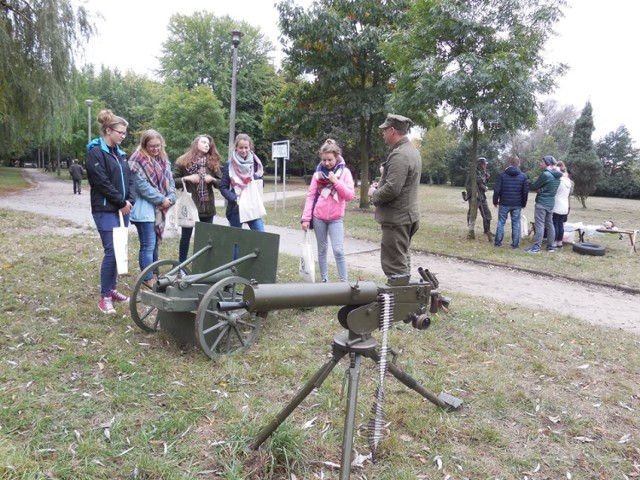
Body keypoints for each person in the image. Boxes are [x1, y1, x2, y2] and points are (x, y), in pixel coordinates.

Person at [85, 109, 135, 314]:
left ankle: (113, 289)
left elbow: (130, 179)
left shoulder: (120, 153)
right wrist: (120, 201)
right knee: (112, 251)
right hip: (105, 209)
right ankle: (104, 296)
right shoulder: (96, 152)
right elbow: (101, 182)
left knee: (119, 249)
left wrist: (130, 200)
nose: (123, 136)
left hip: (123, 209)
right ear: (108, 130)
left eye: (124, 133)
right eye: (120, 132)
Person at [368, 113, 421, 280]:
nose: (383, 135)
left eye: (384, 131)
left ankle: (401, 303)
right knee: (402, 258)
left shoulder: (400, 155)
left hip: (397, 219)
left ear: (392, 131)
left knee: (394, 265)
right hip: (406, 216)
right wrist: (385, 173)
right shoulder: (411, 151)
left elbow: (392, 189)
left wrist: (374, 194)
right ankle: (407, 299)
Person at [300, 139, 355, 282]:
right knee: (322, 250)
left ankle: (344, 282)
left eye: (330, 159)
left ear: (337, 157)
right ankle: (325, 280)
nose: (327, 163)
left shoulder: (345, 173)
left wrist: (336, 182)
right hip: (319, 217)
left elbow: (349, 196)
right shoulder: (317, 175)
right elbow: (311, 196)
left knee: (338, 250)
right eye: (324, 160)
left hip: (336, 218)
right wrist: (306, 218)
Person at [128, 130, 176, 284]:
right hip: (144, 209)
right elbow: (142, 187)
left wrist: (172, 197)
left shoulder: (163, 158)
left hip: (160, 208)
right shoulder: (137, 160)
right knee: (148, 245)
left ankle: (154, 274)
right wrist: (162, 200)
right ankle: (147, 278)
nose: (155, 149)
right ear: (144, 145)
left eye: (158, 145)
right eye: (151, 146)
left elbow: (170, 179)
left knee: (155, 245)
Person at [173, 134, 222, 263]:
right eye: (204, 142)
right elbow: (172, 181)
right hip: (190, 206)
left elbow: (222, 183)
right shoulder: (183, 161)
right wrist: (187, 178)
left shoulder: (212, 162)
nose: (207, 145)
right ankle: (181, 265)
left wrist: (212, 179)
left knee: (206, 239)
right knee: (186, 237)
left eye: (209, 143)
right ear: (196, 144)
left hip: (207, 207)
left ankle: (202, 265)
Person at [220, 133, 266, 231]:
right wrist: (235, 199)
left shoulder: (256, 164)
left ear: (250, 147)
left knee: (261, 235)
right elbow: (223, 187)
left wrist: (254, 177)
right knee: (236, 242)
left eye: (246, 147)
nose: (244, 150)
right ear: (236, 147)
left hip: (252, 206)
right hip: (236, 208)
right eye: (241, 147)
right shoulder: (229, 165)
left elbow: (261, 184)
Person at [524, 155, 563, 254]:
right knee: (550, 224)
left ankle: (536, 248)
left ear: (547, 163)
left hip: (542, 202)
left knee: (540, 224)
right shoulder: (558, 176)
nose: (540, 163)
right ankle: (551, 247)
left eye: (542, 162)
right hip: (550, 203)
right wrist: (542, 189)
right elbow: (551, 188)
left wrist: (538, 189)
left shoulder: (546, 174)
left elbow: (535, 186)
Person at [492, 156, 529, 249]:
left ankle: (498, 242)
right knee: (516, 223)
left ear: (509, 163)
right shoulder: (523, 176)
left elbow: (497, 190)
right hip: (517, 203)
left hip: (504, 202)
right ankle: (515, 244)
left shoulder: (501, 175)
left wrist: (495, 201)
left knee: (501, 222)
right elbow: (525, 191)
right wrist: (523, 203)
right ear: (519, 163)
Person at [465, 157, 493, 240]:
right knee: (472, 214)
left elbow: (483, 182)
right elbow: (470, 184)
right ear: (480, 164)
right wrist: (475, 192)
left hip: (482, 196)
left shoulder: (484, 172)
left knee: (487, 214)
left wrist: (487, 179)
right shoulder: (473, 172)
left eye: (485, 164)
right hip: (474, 196)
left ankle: (487, 230)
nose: (485, 166)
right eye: (484, 164)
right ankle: (470, 230)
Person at [552, 161, 573, 249]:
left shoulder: (559, 180)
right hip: (565, 205)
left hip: (557, 204)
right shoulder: (569, 181)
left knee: (555, 223)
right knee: (561, 224)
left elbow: (554, 191)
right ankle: (560, 242)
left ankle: (554, 242)